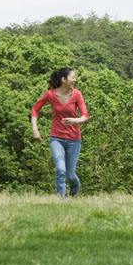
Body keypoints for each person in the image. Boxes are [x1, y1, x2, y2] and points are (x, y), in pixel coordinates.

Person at [31, 67, 90, 197]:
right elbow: (35, 109)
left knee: (70, 175)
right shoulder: (50, 94)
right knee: (60, 169)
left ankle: (74, 191)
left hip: (74, 139)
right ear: (64, 79)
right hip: (56, 138)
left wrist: (75, 120)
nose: (75, 80)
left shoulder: (77, 94)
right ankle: (61, 199)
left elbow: (85, 116)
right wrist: (35, 129)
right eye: (72, 77)